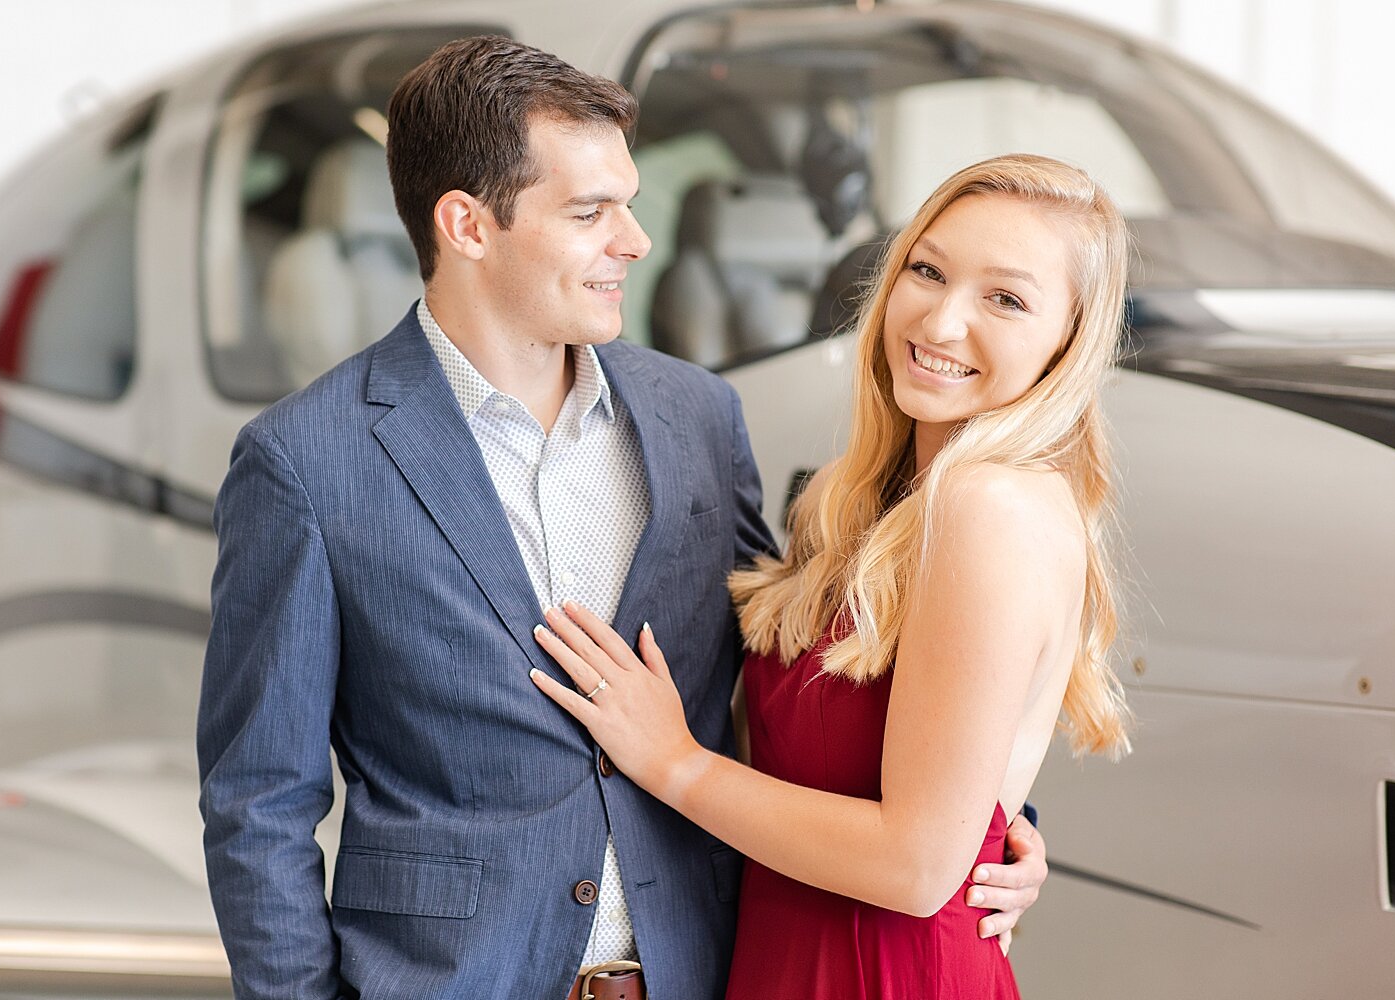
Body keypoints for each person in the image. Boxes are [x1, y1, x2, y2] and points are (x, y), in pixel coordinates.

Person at [197, 35, 1046, 1000]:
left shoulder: (697, 415)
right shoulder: (305, 462)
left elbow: (806, 657)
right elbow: (258, 806)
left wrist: (993, 817)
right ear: (467, 225)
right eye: (591, 212)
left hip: (705, 973)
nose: (635, 242)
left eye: (629, 204)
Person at [531, 153, 1132, 999]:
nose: (942, 320)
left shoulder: (988, 504)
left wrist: (672, 762)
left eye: (1006, 298)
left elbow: (920, 867)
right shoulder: (871, 503)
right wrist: (1000, 828)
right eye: (927, 270)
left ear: (1067, 341)